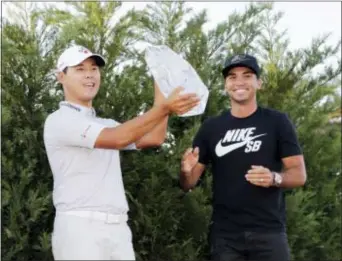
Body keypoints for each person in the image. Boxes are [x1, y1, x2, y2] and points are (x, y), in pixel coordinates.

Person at [43, 44, 200, 260]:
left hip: (118, 229)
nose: (89, 75)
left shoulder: (104, 123)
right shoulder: (59, 120)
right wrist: (163, 108)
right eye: (79, 69)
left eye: (94, 69)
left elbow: (154, 137)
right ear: (61, 76)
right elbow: (118, 138)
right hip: (80, 229)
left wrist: (161, 88)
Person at [179, 54, 307, 261]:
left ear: (259, 83)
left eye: (247, 76)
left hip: (269, 233)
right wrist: (185, 171)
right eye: (232, 76)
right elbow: (188, 183)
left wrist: (275, 178)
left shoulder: (277, 122)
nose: (239, 82)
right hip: (225, 237)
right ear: (225, 85)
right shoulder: (211, 127)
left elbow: (299, 174)